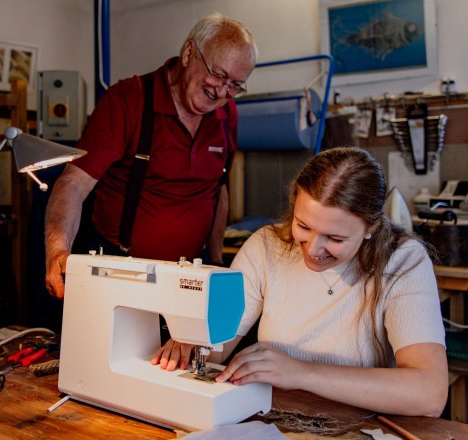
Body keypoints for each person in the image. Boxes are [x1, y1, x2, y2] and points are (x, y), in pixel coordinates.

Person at [151, 147, 448, 417]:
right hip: (274, 417)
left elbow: (429, 393)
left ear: (371, 226)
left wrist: (300, 373)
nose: (312, 248)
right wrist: (190, 340)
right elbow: (216, 347)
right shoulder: (266, 247)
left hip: (356, 425)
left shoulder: (403, 261)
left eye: (335, 238)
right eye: (303, 226)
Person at [45, 13, 258, 299]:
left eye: (235, 85)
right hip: (119, 272)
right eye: (218, 74)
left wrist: (216, 261)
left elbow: (217, 189)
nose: (221, 91)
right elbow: (73, 183)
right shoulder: (127, 101)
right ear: (188, 53)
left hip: (188, 277)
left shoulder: (226, 114)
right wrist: (58, 248)